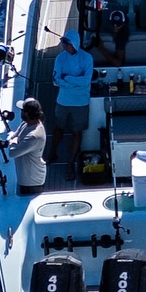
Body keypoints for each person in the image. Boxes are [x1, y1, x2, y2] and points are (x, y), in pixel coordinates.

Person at [51, 32, 94, 183]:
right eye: (63, 42)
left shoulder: (87, 58)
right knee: (58, 128)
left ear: (74, 44)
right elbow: (56, 81)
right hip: (63, 101)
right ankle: (52, 153)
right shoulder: (60, 58)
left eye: (67, 43)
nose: (64, 46)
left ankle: (70, 164)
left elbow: (86, 81)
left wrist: (67, 78)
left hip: (81, 102)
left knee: (77, 133)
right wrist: (76, 82)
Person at [10, 98, 47, 196]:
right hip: (26, 176)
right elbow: (16, 134)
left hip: (31, 182)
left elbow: (12, 153)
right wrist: (14, 139)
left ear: (26, 114)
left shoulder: (34, 136)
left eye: (22, 111)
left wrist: (12, 140)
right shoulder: (26, 124)